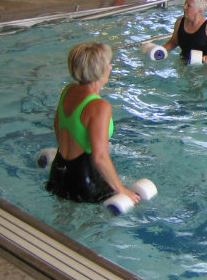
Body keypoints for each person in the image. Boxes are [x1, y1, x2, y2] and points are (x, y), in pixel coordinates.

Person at [47, 43, 141, 204]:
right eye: (108, 63)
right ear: (100, 69)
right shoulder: (99, 106)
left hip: (59, 170)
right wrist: (122, 189)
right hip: (85, 180)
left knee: (63, 218)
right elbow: (100, 157)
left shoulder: (68, 90)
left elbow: (57, 127)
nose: (111, 67)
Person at [163, 0, 207, 64]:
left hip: (205, 65)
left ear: (199, 11)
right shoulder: (180, 22)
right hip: (184, 62)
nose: (184, 7)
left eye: (189, 6)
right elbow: (173, 42)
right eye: (185, 4)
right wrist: (161, 50)